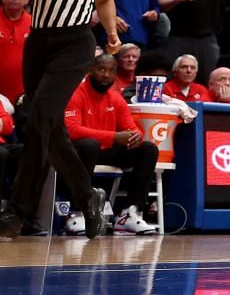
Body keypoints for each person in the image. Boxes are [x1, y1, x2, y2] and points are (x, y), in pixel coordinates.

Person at [0, 0, 123, 238]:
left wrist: (111, 33)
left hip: (76, 42)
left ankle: (16, 211)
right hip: (38, 41)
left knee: (39, 114)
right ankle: (87, 195)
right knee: (46, 127)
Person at [63, 51, 160, 235]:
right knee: (88, 144)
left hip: (105, 150)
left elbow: (133, 129)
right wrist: (114, 137)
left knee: (148, 149)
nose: (106, 75)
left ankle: (129, 214)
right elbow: (72, 130)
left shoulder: (116, 98)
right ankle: (78, 212)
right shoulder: (76, 93)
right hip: (77, 151)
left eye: (111, 71)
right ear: (92, 69)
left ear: (116, 74)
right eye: (101, 69)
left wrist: (136, 137)